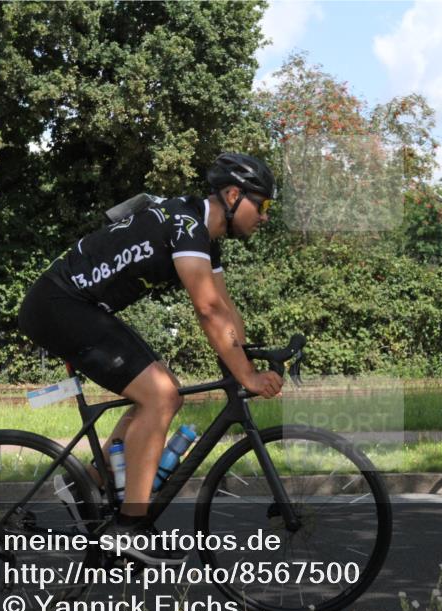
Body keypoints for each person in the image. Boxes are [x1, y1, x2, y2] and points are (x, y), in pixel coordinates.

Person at [17, 153, 283, 563]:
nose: (265, 217)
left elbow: (224, 308)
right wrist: (246, 376)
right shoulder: (188, 225)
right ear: (233, 195)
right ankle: (130, 527)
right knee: (160, 395)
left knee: (162, 392)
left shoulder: (203, 235)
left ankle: (87, 482)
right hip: (61, 305)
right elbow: (207, 311)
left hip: (80, 306)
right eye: (262, 205)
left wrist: (244, 355)